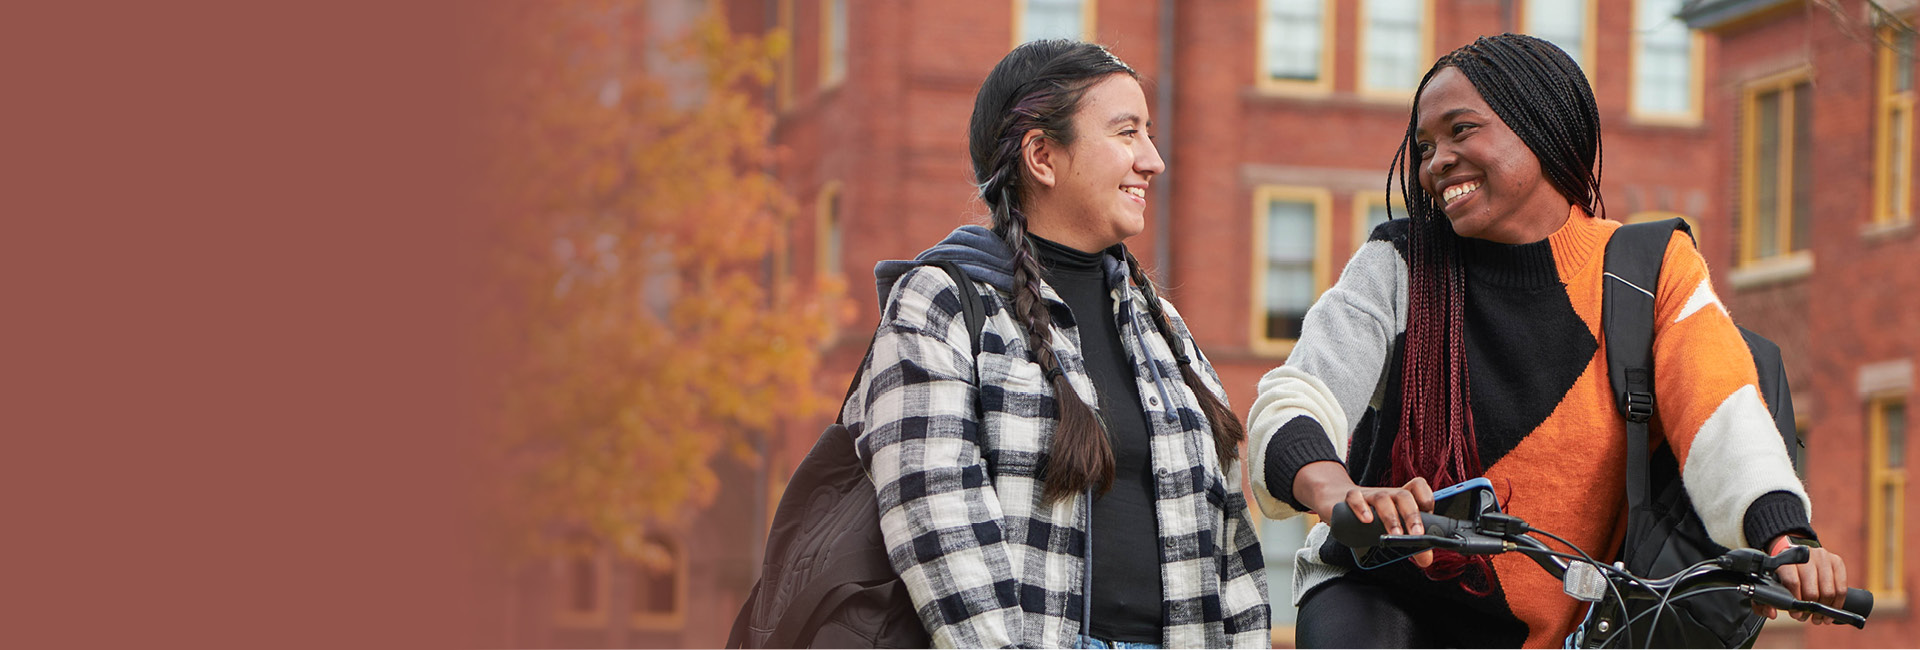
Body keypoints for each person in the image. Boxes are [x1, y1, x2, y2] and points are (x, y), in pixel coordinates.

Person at [1244, 33, 1849, 647]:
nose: (1436, 161)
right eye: (1425, 146)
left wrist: (1786, 536)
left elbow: (1722, 411)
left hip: (1567, 626)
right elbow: (1298, 395)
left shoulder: (1649, 269)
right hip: (1383, 593)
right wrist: (1338, 490)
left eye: (1461, 130)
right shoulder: (1399, 263)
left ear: (1541, 124)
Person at [842, 39, 1271, 649]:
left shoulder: (1164, 329)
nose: (1153, 160)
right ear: (1042, 155)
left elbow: (1232, 543)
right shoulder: (941, 304)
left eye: (1148, 133)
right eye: (1126, 133)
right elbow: (936, 526)